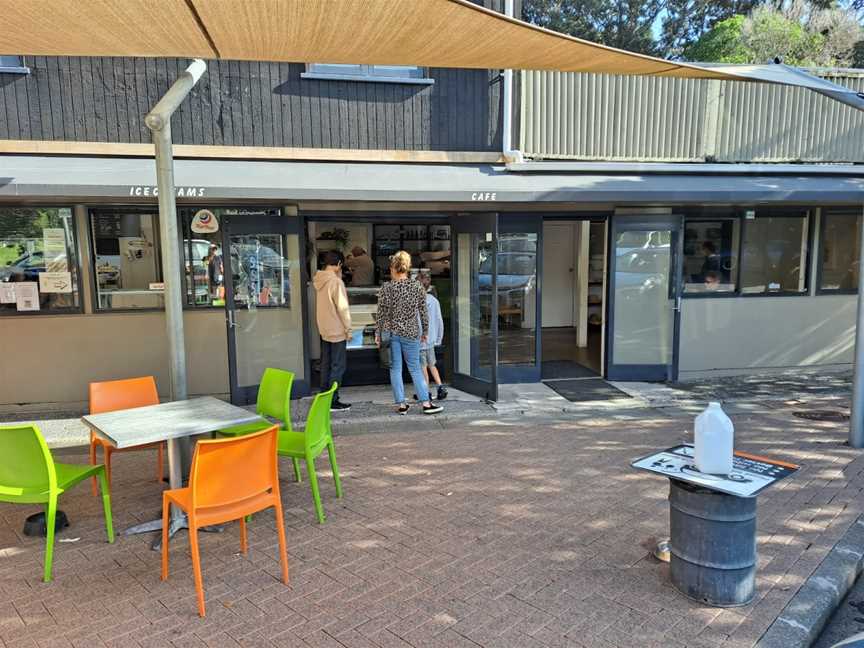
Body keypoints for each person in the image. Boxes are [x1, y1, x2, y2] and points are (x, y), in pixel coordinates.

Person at [375, 251, 443, 416]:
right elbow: (423, 312)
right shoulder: (416, 287)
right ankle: (426, 404)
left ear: (393, 267)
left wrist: (378, 333)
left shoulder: (386, 287)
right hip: (411, 332)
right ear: (407, 267)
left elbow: (381, 313)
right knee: (415, 369)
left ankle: (401, 405)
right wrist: (425, 331)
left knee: (395, 368)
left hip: (392, 333)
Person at [312, 250, 352, 411]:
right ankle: (333, 400)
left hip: (324, 328)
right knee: (338, 366)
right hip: (336, 330)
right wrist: (348, 329)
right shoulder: (335, 283)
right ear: (339, 264)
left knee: (326, 364)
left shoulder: (320, 279)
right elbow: (342, 308)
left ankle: (324, 395)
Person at [417, 272, 447, 401]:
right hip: (431, 339)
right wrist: (439, 338)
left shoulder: (415, 301)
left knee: (422, 366)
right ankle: (440, 387)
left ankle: (426, 391)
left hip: (419, 339)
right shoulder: (434, 300)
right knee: (432, 364)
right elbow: (439, 320)